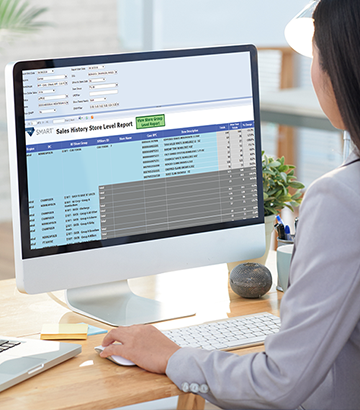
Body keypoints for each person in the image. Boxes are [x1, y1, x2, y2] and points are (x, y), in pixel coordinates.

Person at [100, 1, 360, 408]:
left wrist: (171, 355)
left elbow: (279, 384)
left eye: (316, 55)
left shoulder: (341, 197)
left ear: (341, 72)